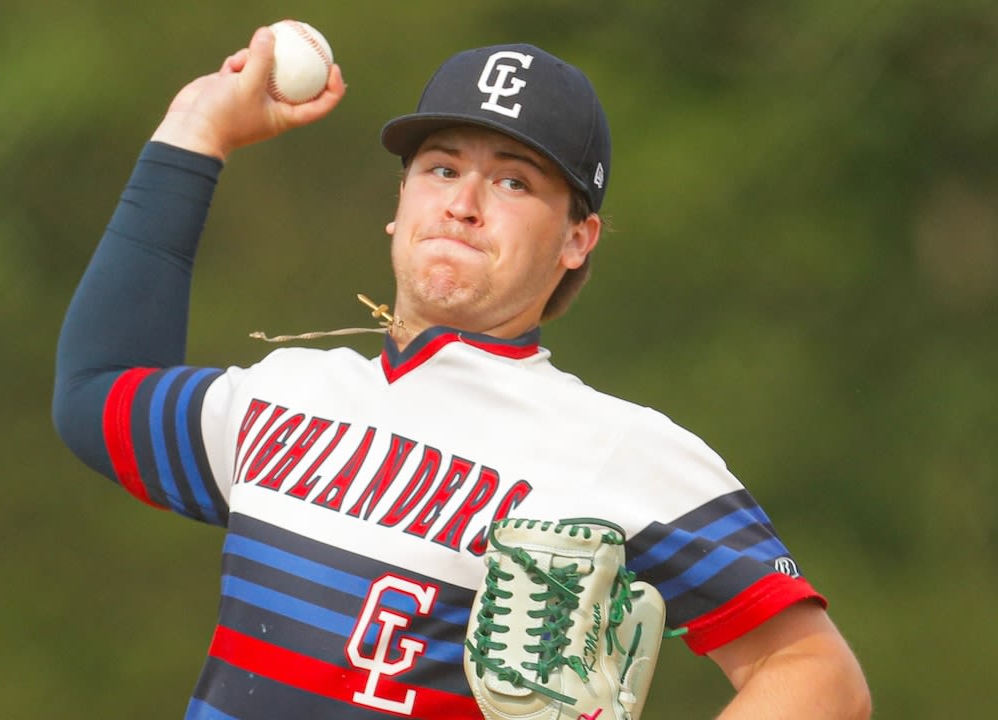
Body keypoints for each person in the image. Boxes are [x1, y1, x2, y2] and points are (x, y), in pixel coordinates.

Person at [52, 26, 872, 719]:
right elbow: (98, 391)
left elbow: (814, 673)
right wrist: (195, 130)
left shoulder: (619, 450)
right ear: (399, 203)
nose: (464, 201)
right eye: (441, 168)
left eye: (514, 180)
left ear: (578, 240)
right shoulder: (282, 394)